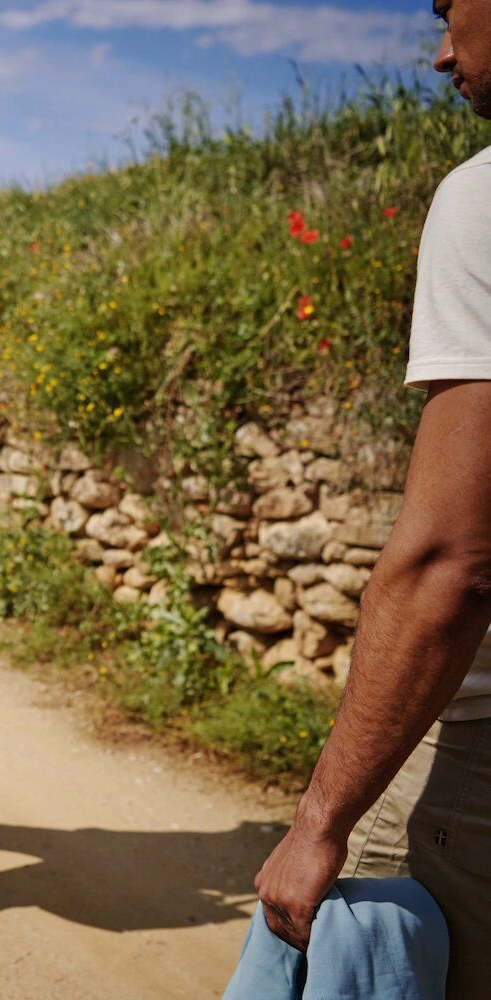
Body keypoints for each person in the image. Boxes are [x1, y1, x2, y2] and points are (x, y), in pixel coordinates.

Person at [254, 4, 491, 996]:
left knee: (360, 942)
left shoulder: (482, 201)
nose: (439, 52)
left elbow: (453, 559)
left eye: (450, 8)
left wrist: (318, 824)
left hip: (478, 757)